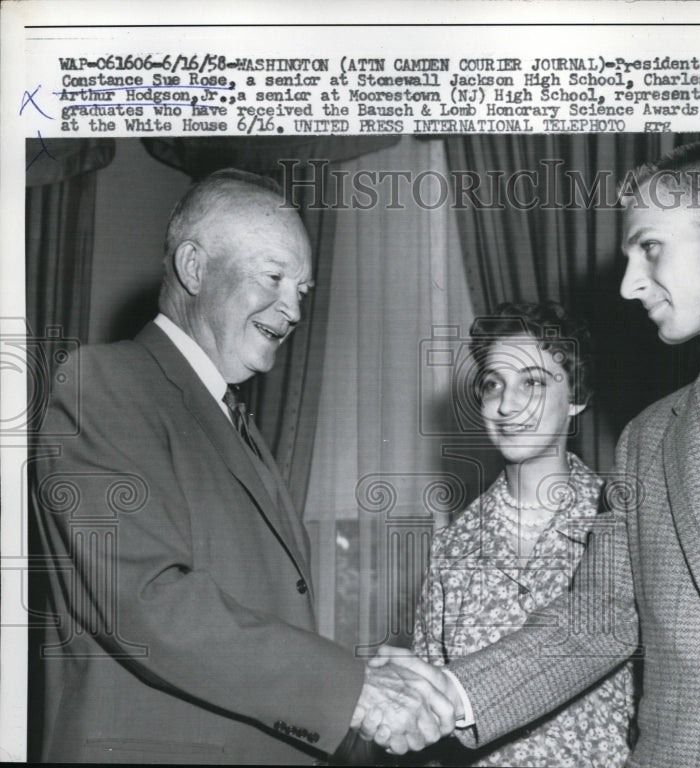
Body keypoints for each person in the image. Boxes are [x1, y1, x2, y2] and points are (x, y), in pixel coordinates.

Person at [361, 141, 700, 767]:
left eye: (649, 248)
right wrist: (451, 693)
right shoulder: (646, 440)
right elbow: (599, 617)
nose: (628, 284)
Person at [30, 169, 455, 764]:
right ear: (195, 268)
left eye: (302, 291)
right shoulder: (102, 384)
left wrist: (358, 676)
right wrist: (352, 690)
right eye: (274, 277)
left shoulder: (235, 421)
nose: (293, 310)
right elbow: (150, 603)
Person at [410, 302, 634, 767]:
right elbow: (426, 712)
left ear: (577, 398)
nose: (507, 405)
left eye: (532, 383)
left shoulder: (624, 523)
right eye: (494, 384)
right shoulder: (452, 548)